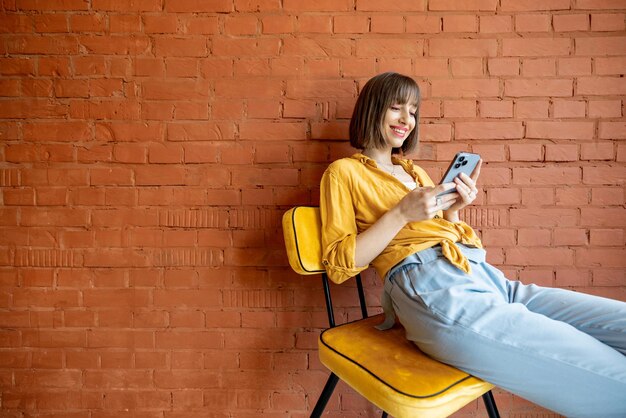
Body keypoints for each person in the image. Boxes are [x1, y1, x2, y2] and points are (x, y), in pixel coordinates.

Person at [319, 72, 626, 418]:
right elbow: (339, 265)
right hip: (431, 289)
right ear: (372, 109)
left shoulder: (415, 173)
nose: (408, 120)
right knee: (612, 378)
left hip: (486, 279)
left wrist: (453, 212)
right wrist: (401, 213)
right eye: (396, 108)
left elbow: (443, 234)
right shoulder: (343, 173)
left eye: (414, 111)